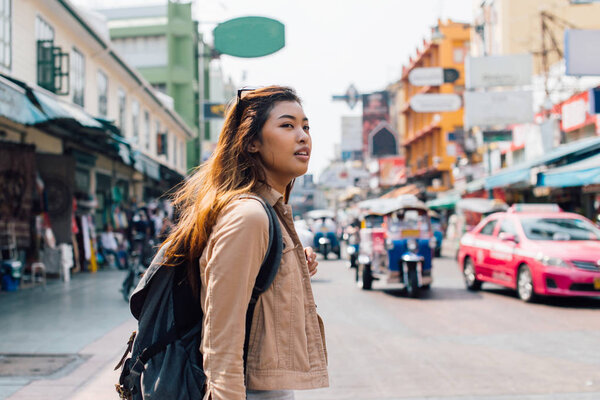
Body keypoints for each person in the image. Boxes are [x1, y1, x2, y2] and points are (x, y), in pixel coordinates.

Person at [162, 86, 329, 400]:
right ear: (252, 142)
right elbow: (221, 334)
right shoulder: (249, 215)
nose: (303, 136)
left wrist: (290, 264)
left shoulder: (269, 212)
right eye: (287, 125)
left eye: (305, 126)